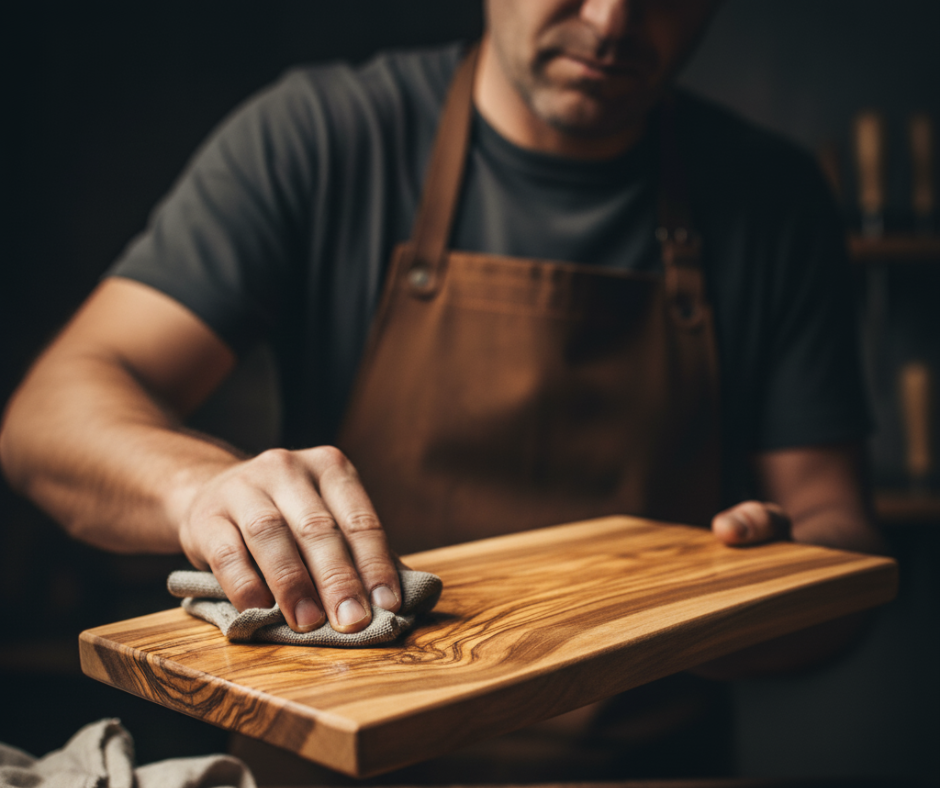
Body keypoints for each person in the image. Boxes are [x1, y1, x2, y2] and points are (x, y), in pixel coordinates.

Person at [0, 0, 882, 653]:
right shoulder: (318, 137)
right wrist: (198, 491)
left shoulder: (773, 200)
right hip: (339, 761)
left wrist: (772, 586)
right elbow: (47, 420)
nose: (613, 20)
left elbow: (835, 519)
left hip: (644, 761)